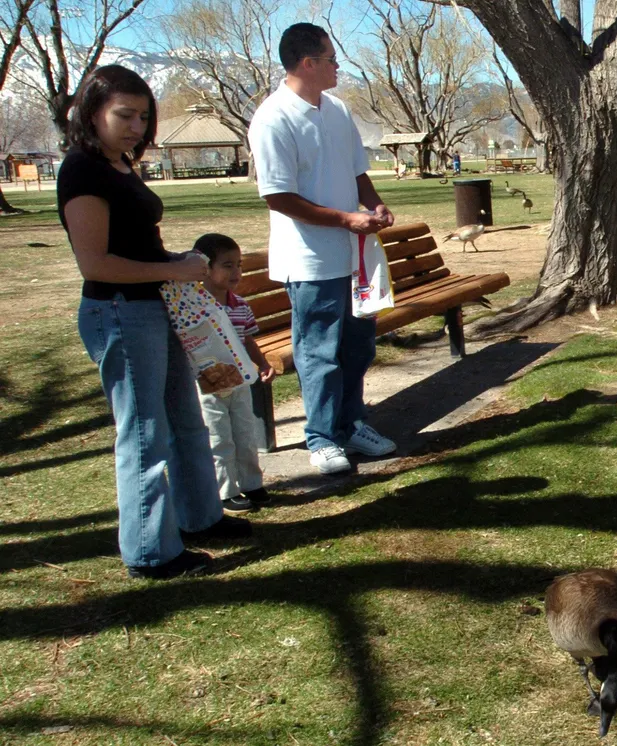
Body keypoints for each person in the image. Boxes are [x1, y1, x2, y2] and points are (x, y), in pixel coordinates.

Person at [58, 65, 250, 581]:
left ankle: (201, 519)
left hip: (154, 308)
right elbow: (95, 263)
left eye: (144, 116)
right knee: (145, 433)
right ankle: (149, 552)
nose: (136, 126)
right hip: (118, 311)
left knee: (185, 418)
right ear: (91, 112)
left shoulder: (121, 165)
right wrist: (173, 268)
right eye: (124, 114)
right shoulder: (82, 169)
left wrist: (177, 262)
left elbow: (136, 244)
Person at [248, 23, 397, 475]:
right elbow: (279, 196)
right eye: (332, 59)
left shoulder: (336, 110)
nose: (338, 66)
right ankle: (321, 438)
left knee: (358, 347)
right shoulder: (272, 118)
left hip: (353, 258)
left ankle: (351, 424)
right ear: (308, 63)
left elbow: (356, 171)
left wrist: (373, 204)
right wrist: (345, 219)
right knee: (319, 353)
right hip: (309, 261)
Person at [193, 233, 276, 514]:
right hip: (209, 382)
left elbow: (248, 339)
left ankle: (252, 483)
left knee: (245, 432)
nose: (237, 272)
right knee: (219, 436)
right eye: (227, 265)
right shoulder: (192, 306)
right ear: (205, 267)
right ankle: (225, 490)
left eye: (238, 265)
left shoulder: (239, 305)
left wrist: (262, 364)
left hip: (239, 380)